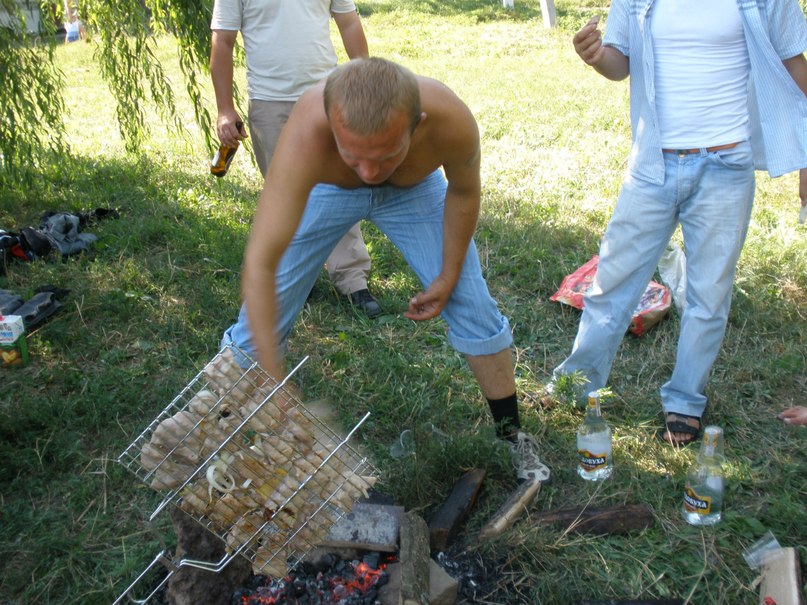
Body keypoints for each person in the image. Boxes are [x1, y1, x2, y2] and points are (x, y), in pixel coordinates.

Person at [222, 57, 550, 483]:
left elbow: (465, 192)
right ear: (332, 127)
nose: (371, 173)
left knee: (472, 304)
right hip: (328, 190)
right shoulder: (307, 132)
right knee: (256, 324)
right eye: (354, 156)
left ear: (418, 124)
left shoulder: (451, 120)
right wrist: (275, 380)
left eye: (386, 155)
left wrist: (448, 275)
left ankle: (512, 436)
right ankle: (216, 430)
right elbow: (263, 261)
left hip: (414, 191)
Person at [550, 1, 807, 446]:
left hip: (727, 166)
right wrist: (595, 57)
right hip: (653, 164)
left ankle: (685, 400)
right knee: (613, 280)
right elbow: (620, 63)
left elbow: (794, 65)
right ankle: (577, 384)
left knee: (710, 294)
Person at [209, 0, 382, 318]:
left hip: (326, 95)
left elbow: (349, 23)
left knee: (340, 188)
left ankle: (352, 278)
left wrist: (365, 80)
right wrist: (224, 108)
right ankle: (297, 277)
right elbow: (223, 40)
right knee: (286, 196)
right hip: (270, 102)